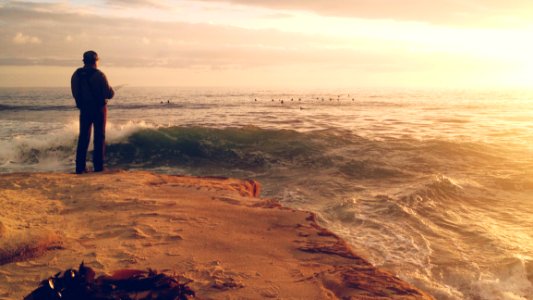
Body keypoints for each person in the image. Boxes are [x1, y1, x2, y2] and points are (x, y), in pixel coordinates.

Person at [71, 51, 114, 174]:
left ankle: (80, 167)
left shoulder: (76, 74)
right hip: (99, 109)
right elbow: (108, 94)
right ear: (95, 61)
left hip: (84, 109)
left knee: (83, 137)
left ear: (84, 61)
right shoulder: (99, 75)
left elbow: (75, 92)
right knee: (99, 137)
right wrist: (112, 91)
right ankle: (98, 167)